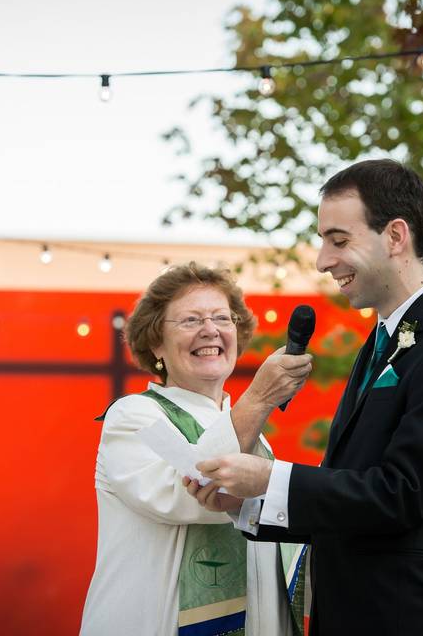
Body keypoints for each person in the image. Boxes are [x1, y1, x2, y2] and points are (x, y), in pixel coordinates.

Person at [189, 160, 423, 635]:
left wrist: (271, 478)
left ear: (396, 236)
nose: (321, 260)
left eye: (338, 240)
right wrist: (246, 502)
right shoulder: (380, 340)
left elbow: (401, 496)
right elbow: (352, 490)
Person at [80, 263, 313, 636]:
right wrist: (260, 397)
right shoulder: (133, 416)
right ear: (155, 342)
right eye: (190, 320)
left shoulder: (251, 434)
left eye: (222, 317)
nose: (210, 329)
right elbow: (192, 493)